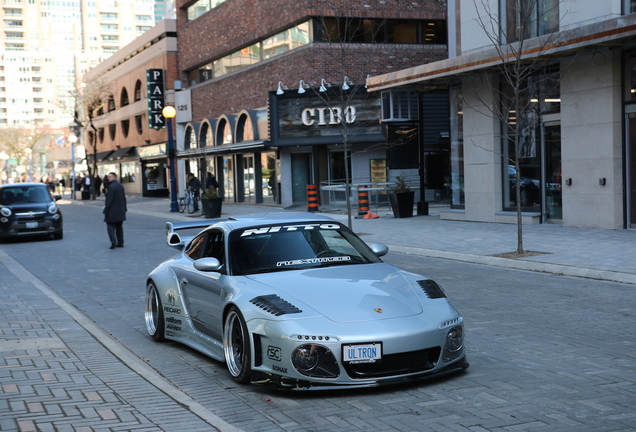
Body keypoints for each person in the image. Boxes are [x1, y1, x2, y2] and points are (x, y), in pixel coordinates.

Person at [103, 172, 127, 249]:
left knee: (110, 227)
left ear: (114, 178)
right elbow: (124, 198)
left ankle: (113, 242)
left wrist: (106, 210)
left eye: (110, 177)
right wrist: (125, 208)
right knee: (119, 227)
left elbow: (109, 201)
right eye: (108, 177)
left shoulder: (112, 187)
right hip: (120, 210)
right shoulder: (120, 186)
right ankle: (120, 242)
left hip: (112, 211)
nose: (108, 178)